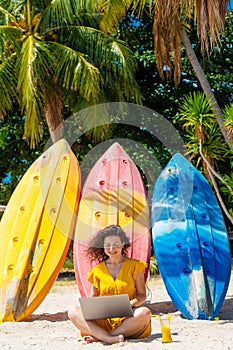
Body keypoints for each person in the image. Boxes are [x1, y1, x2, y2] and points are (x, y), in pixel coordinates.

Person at [68, 224, 151, 344]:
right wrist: (92, 308)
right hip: (103, 320)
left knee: (145, 312)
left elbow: (142, 295)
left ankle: (103, 336)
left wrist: (129, 304)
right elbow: (93, 298)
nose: (111, 248)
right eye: (107, 245)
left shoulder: (136, 266)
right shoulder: (97, 271)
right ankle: (107, 337)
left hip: (127, 319)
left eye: (116, 244)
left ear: (123, 243)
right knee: (72, 310)